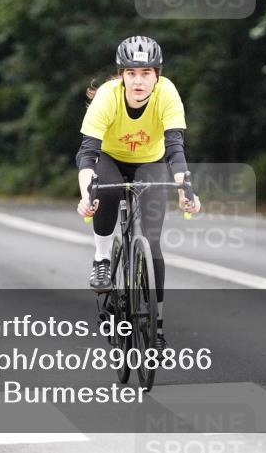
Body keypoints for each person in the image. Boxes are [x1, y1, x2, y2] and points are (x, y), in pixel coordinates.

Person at [76, 35, 201, 350]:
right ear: (121, 75)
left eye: (146, 73)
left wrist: (186, 189)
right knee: (106, 191)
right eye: (131, 73)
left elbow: (175, 150)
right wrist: (86, 195)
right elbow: (87, 154)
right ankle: (102, 259)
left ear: (157, 75)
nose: (138, 80)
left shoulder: (167, 94)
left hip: (150, 162)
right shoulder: (107, 96)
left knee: (154, 245)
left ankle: (156, 327)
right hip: (109, 159)